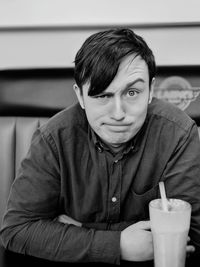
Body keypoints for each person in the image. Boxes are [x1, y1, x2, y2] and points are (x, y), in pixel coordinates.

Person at [0, 28, 200, 265]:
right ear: (81, 96)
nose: (118, 113)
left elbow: (188, 235)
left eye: (132, 92)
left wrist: (81, 229)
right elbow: (17, 230)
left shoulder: (178, 133)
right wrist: (119, 244)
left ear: (151, 91)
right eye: (102, 96)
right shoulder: (53, 138)